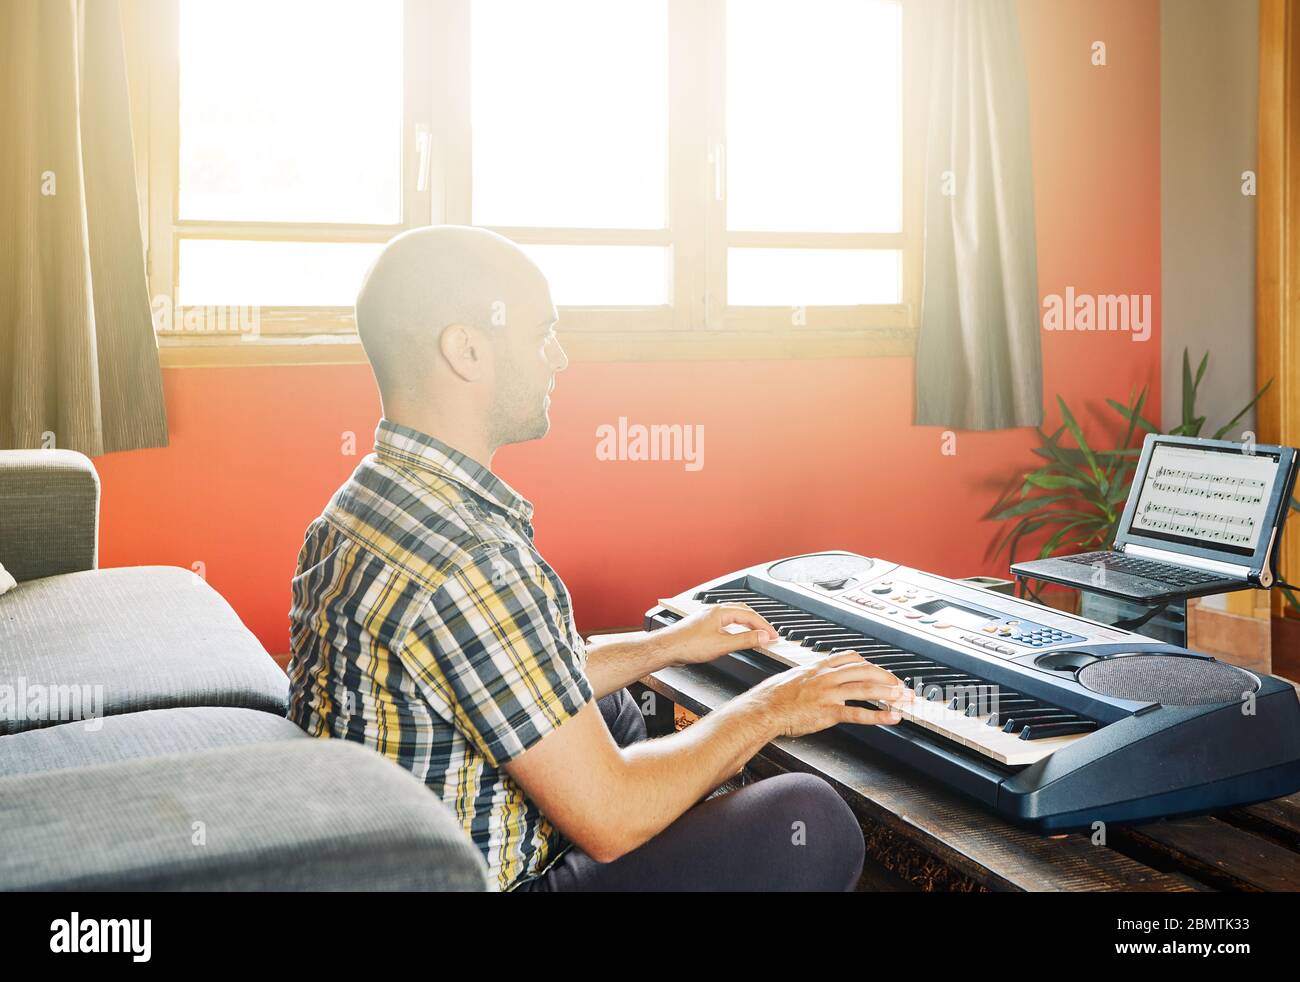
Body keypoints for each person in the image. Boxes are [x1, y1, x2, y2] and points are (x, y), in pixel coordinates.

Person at [286, 225, 912, 891]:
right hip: (491, 879)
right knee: (812, 822)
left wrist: (667, 645)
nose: (557, 359)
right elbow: (610, 816)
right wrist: (772, 706)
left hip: (390, 847)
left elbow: (515, 670)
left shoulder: (365, 502)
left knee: (613, 715)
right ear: (466, 350)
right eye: (540, 334)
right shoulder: (471, 560)